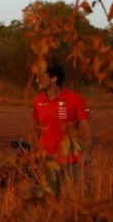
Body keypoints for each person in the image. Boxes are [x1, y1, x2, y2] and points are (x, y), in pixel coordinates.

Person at [32, 62, 93, 191]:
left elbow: (86, 128)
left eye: (40, 77)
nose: (37, 80)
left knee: (76, 201)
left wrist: (87, 153)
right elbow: (37, 130)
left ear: (54, 78)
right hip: (48, 162)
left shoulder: (75, 99)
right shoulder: (37, 101)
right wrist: (35, 154)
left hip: (72, 161)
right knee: (52, 203)